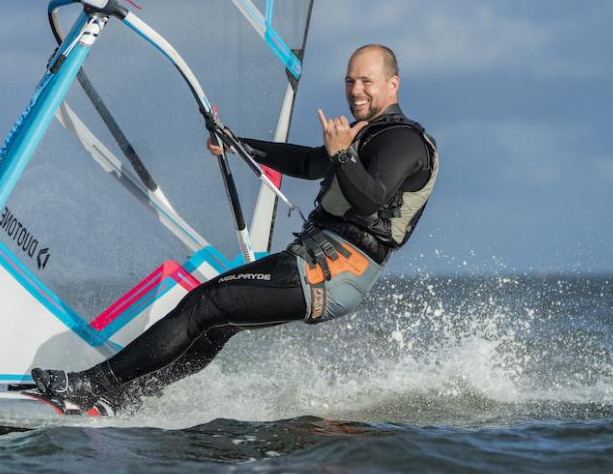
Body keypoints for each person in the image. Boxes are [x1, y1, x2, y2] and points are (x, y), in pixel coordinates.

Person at [32, 44, 439, 414]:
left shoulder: (402, 140)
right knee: (216, 326)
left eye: (366, 81)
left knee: (204, 304)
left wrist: (343, 156)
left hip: (331, 272)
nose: (355, 90)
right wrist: (236, 142)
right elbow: (310, 164)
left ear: (392, 83)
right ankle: (123, 397)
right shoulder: (363, 134)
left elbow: (372, 198)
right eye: (350, 80)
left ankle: (91, 385)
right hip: (318, 264)